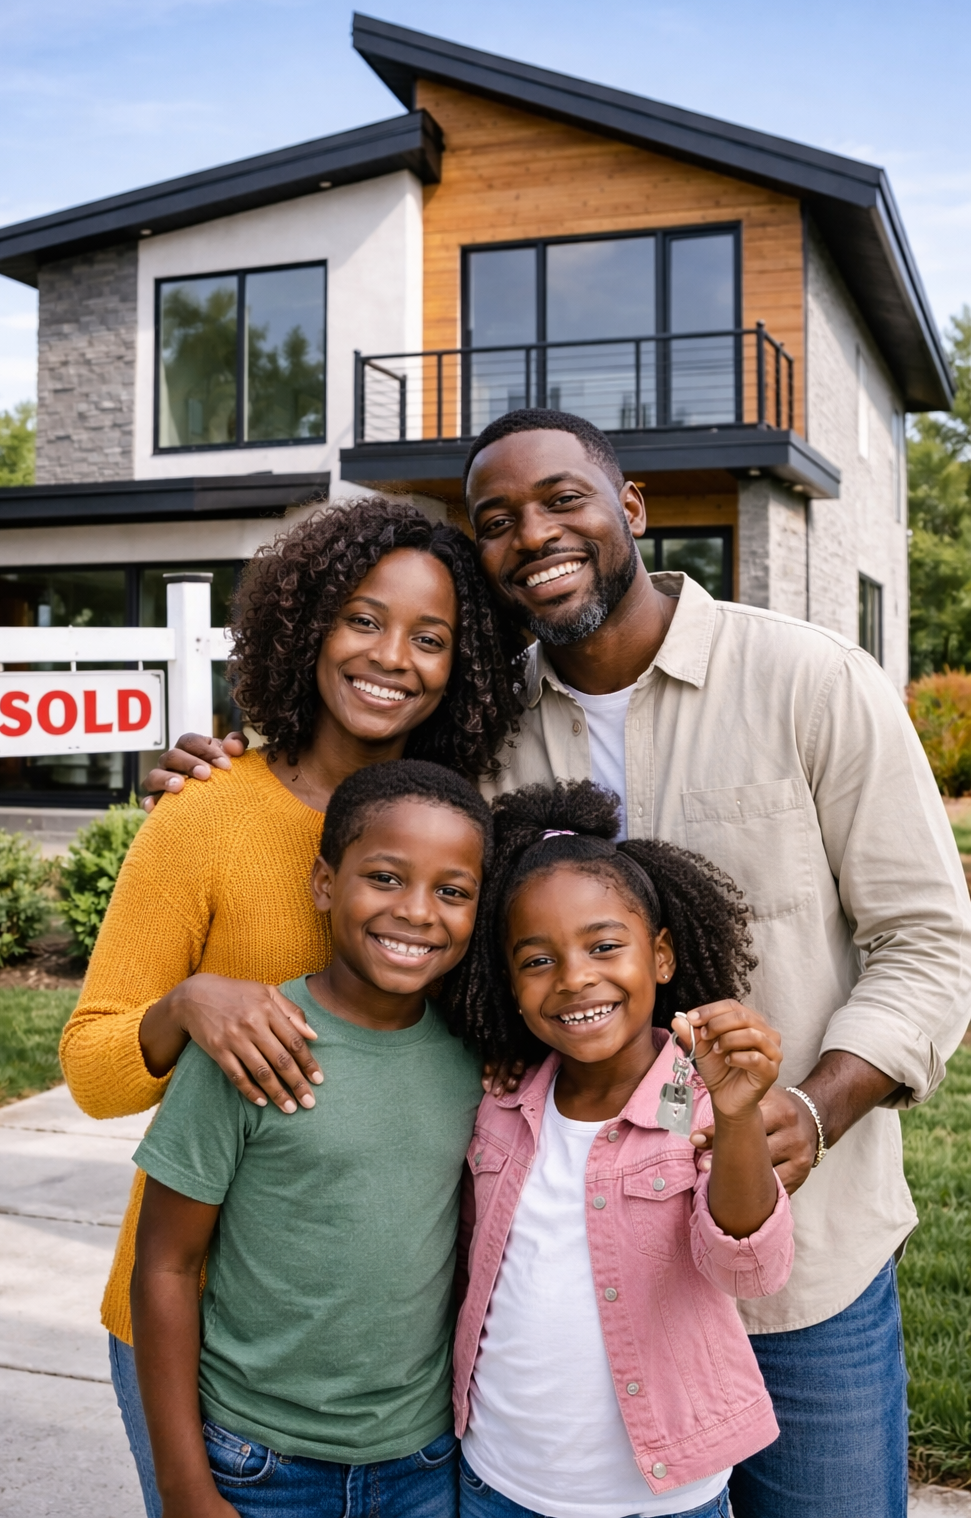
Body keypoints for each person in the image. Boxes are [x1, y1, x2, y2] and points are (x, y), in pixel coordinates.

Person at [156, 408, 971, 1518]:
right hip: (571, 1301)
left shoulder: (809, 679)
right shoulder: (481, 736)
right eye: (495, 520)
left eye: (562, 499)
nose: (531, 533)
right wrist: (232, 770)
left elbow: (928, 940)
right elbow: (373, 831)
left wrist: (814, 1111)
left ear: (630, 507)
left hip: (797, 1272)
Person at [59, 498, 524, 1517]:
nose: (391, 655)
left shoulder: (460, 831)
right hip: (201, 1352)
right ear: (307, 624)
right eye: (362, 618)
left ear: (462, 663)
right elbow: (92, 1069)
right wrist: (189, 1002)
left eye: (430, 636)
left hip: (384, 1383)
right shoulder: (207, 812)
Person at [131, 760, 492, 1518]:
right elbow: (165, 1264)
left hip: (422, 1462)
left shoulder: (475, 1063)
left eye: (451, 891)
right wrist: (185, 1487)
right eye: (385, 878)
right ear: (325, 883)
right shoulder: (251, 1043)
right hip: (257, 1465)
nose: (418, 912)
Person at [444, 779, 794, 1518]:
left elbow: (749, 1264)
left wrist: (736, 1118)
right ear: (508, 983)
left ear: (661, 957)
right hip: (499, 1482)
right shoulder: (500, 1102)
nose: (575, 978)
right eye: (537, 960)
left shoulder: (704, 1098)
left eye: (605, 946)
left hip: (664, 1498)